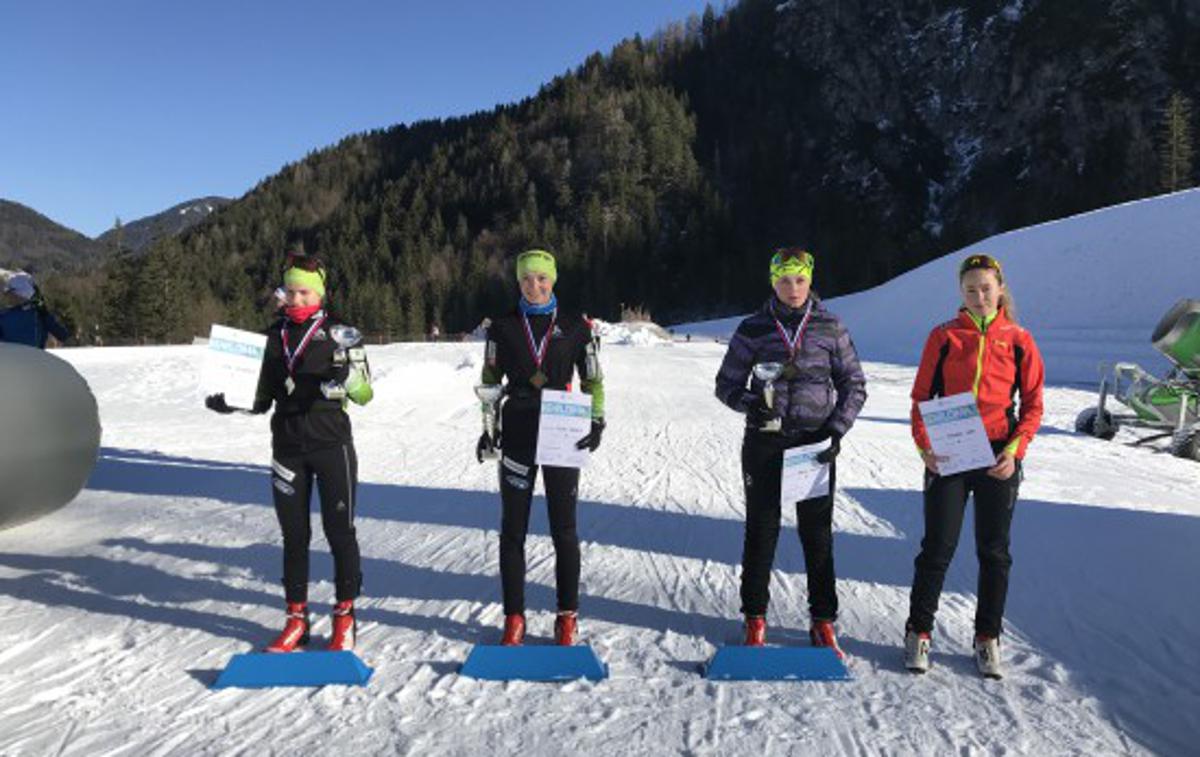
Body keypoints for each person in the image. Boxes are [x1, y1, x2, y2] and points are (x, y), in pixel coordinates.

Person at [205, 253, 374, 652]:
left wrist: (347, 378)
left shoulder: (342, 333)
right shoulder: (270, 337)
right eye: (291, 291)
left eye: (305, 292)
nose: (296, 299)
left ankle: (345, 615)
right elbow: (262, 398)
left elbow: (366, 394)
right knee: (294, 535)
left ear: (319, 293)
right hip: (287, 446)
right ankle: (295, 618)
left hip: (332, 444)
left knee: (340, 532)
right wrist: (232, 401)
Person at [715, 248, 867, 656]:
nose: (793, 288)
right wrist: (750, 403)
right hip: (765, 441)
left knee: (816, 536)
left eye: (800, 280)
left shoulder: (830, 327)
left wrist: (836, 430)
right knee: (761, 531)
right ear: (772, 282)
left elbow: (854, 384)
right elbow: (725, 384)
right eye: (784, 280)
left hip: (813, 444)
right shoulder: (752, 329)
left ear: (810, 280)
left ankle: (822, 621)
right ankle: (755, 619)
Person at [904, 253, 1044, 678]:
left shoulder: (1019, 339)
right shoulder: (943, 336)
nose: (979, 296)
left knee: (994, 552)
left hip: (998, 455)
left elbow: (1034, 405)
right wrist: (925, 448)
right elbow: (921, 398)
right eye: (970, 289)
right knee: (937, 548)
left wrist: (1015, 450)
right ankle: (919, 632)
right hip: (950, 451)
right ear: (960, 293)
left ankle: (988, 637)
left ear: (1000, 289)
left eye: (986, 288)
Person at [475, 249, 605, 646]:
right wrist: (487, 427)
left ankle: (567, 616)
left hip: (562, 429)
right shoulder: (502, 327)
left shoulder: (576, 327)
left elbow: (593, 381)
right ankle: (514, 617)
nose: (535, 286)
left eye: (542, 279)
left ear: (554, 280)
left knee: (564, 529)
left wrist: (597, 420)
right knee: (512, 530)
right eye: (527, 279)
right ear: (518, 282)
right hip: (517, 429)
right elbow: (489, 380)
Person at [0, 270, 70, 348]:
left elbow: (63, 336)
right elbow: (63, 335)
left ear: (21, 293)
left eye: (10, 293)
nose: (8, 297)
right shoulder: (41, 314)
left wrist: (45, 314)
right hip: (16, 359)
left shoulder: (40, 315)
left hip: (30, 359)